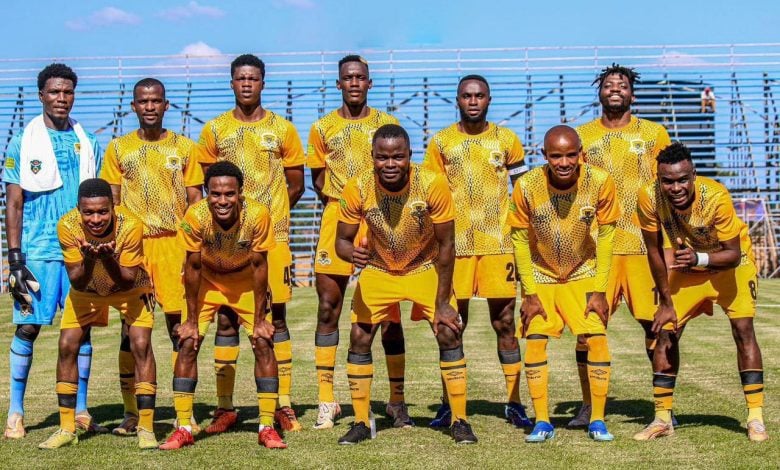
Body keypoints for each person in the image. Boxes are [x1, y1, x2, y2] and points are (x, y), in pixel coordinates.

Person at [335, 123, 477, 444]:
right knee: (359, 337)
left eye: (398, 157)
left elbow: (447, 246)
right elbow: (341, 241)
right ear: (371, 157)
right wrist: (351, 254)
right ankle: (361, 421)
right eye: (382, 157)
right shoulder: (357, 186)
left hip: (423, 267)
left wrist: (442, 304)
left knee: (448, 330)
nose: (389, 164)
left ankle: (459, 419)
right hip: (379, 268)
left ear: (410, 156)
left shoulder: (431, 183)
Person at [194, 54, 305, 432]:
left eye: (253, 79)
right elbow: (208, 186)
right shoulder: (215, 130)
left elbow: (297, 182)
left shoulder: (283, 129)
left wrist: (268, 218)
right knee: (226, 316)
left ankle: (282, 404)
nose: (247, 84)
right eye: (240, 78)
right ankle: (225, 407)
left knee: (277, 318)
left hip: (272, 240)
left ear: (262, 83)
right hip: (226, 244)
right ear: (232, 83)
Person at [634, 142, 768, 442]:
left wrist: (699, 258)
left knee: (743, 329)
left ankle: (756, 418)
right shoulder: (648, 196)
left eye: (683, 179)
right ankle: (662, 419)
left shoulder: (716, 196)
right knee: (666, 332)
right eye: (667, 181)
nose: (676, 187)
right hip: (688, 266)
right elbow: (654, 251)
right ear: (658, 179)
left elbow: (732, 254)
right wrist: (666, 301)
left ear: (694, 174)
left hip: (728, 265)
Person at [307, 55, 409, 430]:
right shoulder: (322, 127)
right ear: (338, 84)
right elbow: (317, 180)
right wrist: (344, 204)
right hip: (339, 214)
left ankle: (396, 401)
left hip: (384, 214)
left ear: (370, 82)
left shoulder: (386, 124)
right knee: (328, 306)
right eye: (347, 78)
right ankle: (326, 399)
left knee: (390, 313)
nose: (353, 83)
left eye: (360, 77)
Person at [423, 74, 531, 428]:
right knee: (452, 325)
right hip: (454, 248)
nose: (473, 101)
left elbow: (523, 189)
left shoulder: (507, 140)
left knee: (504, 323)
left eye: (479, 95)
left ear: (489, 99)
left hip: (497, 245)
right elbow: (430, 194)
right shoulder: (441, 142)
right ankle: (448, 404)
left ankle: (514, 402)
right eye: (467, 96)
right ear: (457, 100)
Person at [3, 63, 103, 438]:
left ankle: (81, 408)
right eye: (55, 92)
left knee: (83, 330)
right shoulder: (22, 141)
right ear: (41, 95)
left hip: (80, 250)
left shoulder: (88, 140)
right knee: (28, 326)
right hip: (38, 251)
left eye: (68, 92)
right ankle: (16, 411)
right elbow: (13, 203)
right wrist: (15, 257)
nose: (62, 98)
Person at [570, 63, 672, 426]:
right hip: (597, 250)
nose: (615, 89)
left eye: (622, 85)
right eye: (609, 84)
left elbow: (670, 186)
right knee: (588, 327)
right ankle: (588, 405)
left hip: (645, 248)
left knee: (657, 327)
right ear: (599, 92)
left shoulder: (654, 133)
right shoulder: (581, 136)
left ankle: (663, 408)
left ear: (632, 93)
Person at [100, 77, 203, 435]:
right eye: (143, 101)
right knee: (131, 332)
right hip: (134, 248)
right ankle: (132, 413)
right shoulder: (118, 149)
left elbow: (195, 201)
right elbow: (111, 203)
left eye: (155, 100)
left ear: (165, 105)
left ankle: (182, 412)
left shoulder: (185, 148)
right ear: (133, 106)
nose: (149, 106)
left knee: (181, 330)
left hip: (174, 244)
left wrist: (193, 244)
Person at [159, 161, 287, 450]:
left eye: (229, 194)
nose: (222, 200)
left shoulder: (258, 214)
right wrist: (191, 320)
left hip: (244, 283)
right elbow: (191, 267)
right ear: (206, 193)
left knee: (264, 342)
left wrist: (259, 319)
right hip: (207, 282)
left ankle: (266, 426)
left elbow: (259, 266)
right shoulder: (195, 216)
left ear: (240, 193)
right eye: (215, 194)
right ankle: (183, 427)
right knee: (188, 343)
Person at [510, 125, 619, 443]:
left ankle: (597, 419)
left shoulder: (599, 181)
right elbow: (518, 240)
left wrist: (600, 289)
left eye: (571, 154)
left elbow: (608, 237)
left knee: (596, 338)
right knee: (535, 340)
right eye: (556, 155)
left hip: (583, 273)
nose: (564, 162)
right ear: (544, 156)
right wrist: (529, 293)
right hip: (541, 275)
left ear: (580, 153)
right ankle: (542, 420)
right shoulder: (527, 185)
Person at [39, 179, 157, 449]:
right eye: (88, 212)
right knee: (67, 345)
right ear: (78, 209)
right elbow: (78, 282)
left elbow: (127, 279)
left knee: (140, 344)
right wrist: (92, 259)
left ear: (113, 207)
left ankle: (145, 427)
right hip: (88, 288)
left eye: (102, 212)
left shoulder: (131, 225)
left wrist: (106, 258)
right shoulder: (67, 226)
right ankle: (67, 428)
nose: (95, 219)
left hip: (131, 287)